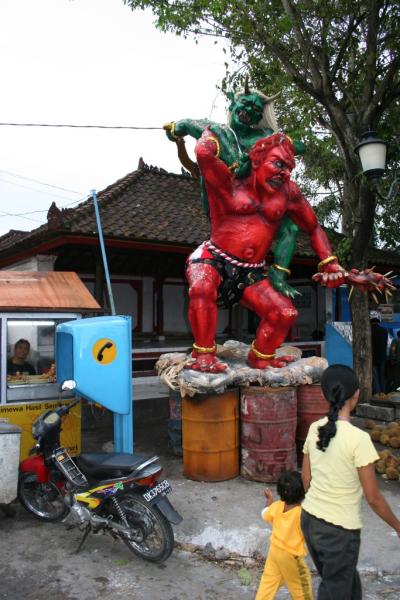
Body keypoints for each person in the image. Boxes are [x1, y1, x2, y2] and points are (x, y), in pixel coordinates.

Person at [186, 131, 389, 373]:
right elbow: (203, 153)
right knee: (202, 287)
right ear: (257, 160)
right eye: (279, 164)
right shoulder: (227, 181)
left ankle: (260, 357)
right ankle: (204, 355)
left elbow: (313, 227)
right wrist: (213, 132)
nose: (286, 172)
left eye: (290, 168)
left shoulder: (289, 193)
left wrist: (329, 262)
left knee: (284, 312)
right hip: (213, 259)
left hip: (250, 273)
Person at [301, 364, 400, 600]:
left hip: (310, 521)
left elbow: (306, 477)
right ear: (356, 395)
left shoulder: (315, 428)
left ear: (325, 395)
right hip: (339, 532)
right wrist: (397, 525)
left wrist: (318, 504)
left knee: (344, 582)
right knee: (336, 587)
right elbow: (373, 498)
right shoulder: (359, 439)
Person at [255, 470, 313, 600]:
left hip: (275, 551)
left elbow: (264, 513)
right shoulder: (301, 515)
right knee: (301, 587)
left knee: (268, 583)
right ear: (303, 494)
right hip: (292, 557)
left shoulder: (276, 506)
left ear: (280, 493)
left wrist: (269, 499)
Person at [370, 317, 388, 395]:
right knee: (382, 375)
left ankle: (377, 393)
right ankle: (383, 392)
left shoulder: (369, 330)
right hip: (382, 356)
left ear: (371, 323)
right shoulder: (384, 330)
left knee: (375, 376)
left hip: (373, 356)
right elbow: (385, 344)